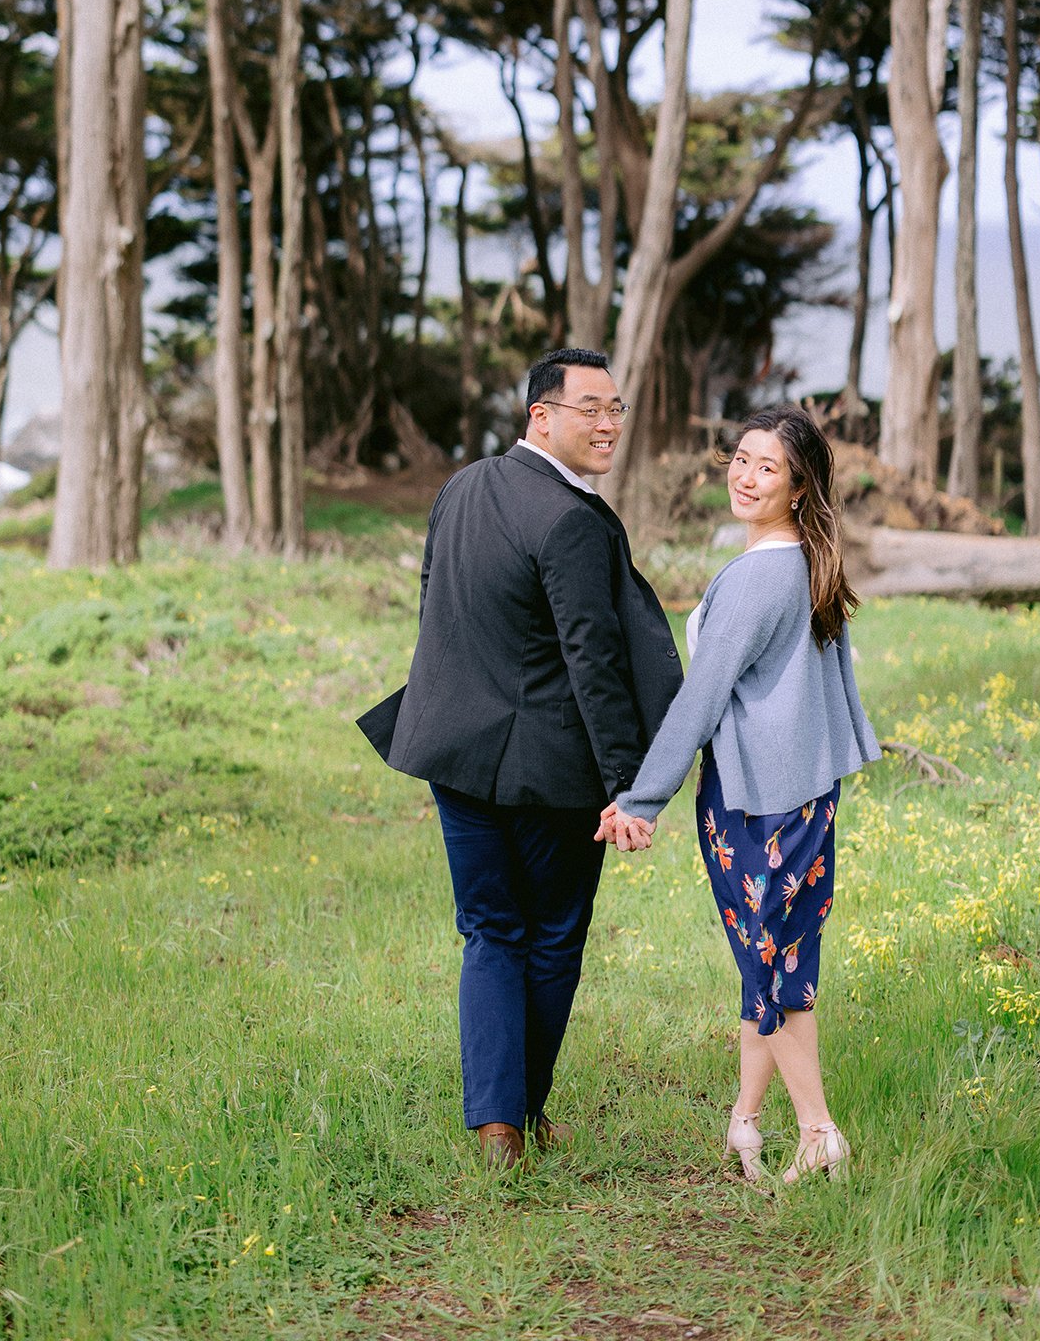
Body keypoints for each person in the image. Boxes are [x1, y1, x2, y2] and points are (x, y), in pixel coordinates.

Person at [358, 349, 683, 1169]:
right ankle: (519, 1113)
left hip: (450, 751)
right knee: (549, 938)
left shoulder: (461, 486)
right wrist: (628, 785)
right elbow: (594, 660)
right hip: (547, 772)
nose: (608, 424)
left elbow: (436, 602)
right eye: (590, 410)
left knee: (489, 932)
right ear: (541, 416)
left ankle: (501, 1125)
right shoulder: (570, 517)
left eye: (616, 409)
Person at [598, 405, 881, 1185]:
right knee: (775, 963)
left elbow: (701, 700)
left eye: (768, 468)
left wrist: (643, 798)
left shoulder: (763, 577)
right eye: (742, 459)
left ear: (797, 489)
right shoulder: (806, 563)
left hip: (758, 802)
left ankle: (819, 1131)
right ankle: (746, 1124)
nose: (746, 476)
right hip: (803, 795)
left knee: (774, 970)